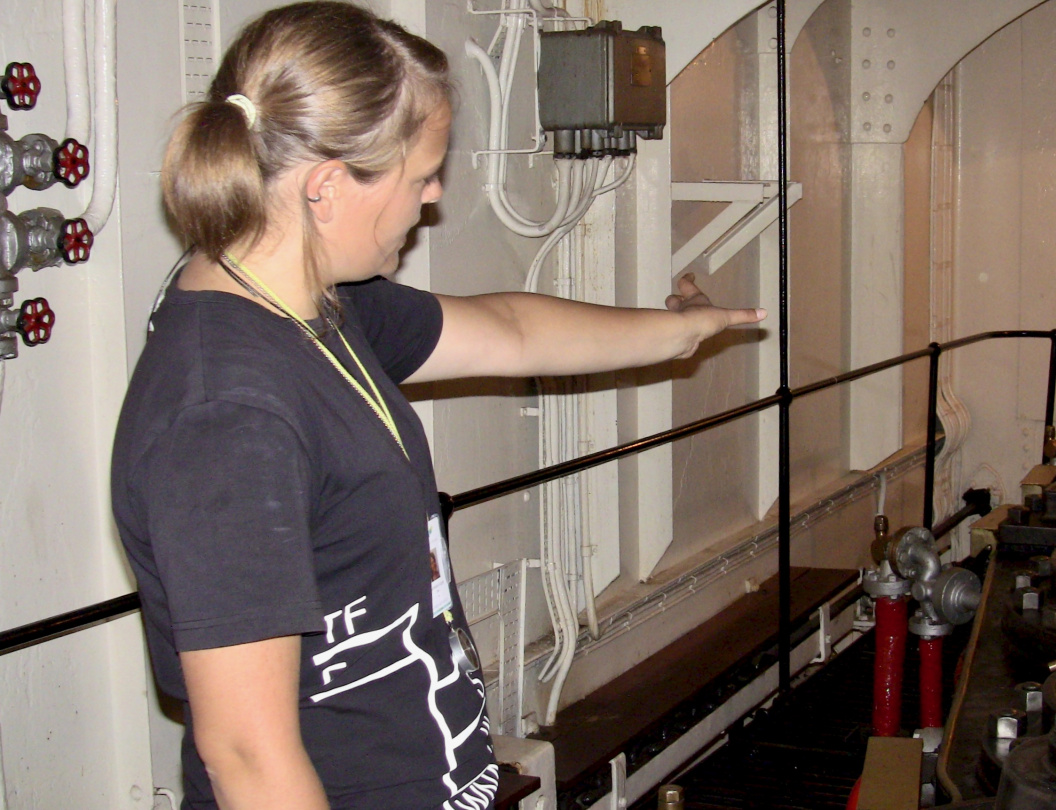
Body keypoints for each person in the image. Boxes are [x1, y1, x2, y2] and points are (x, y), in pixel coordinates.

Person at [109, 3, 764, 809]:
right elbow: (249, 757)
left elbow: (510, 330)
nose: (434, 198)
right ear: (324, 188)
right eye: (420, 175)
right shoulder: (227, 420)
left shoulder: (312, 308)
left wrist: (678, 333)